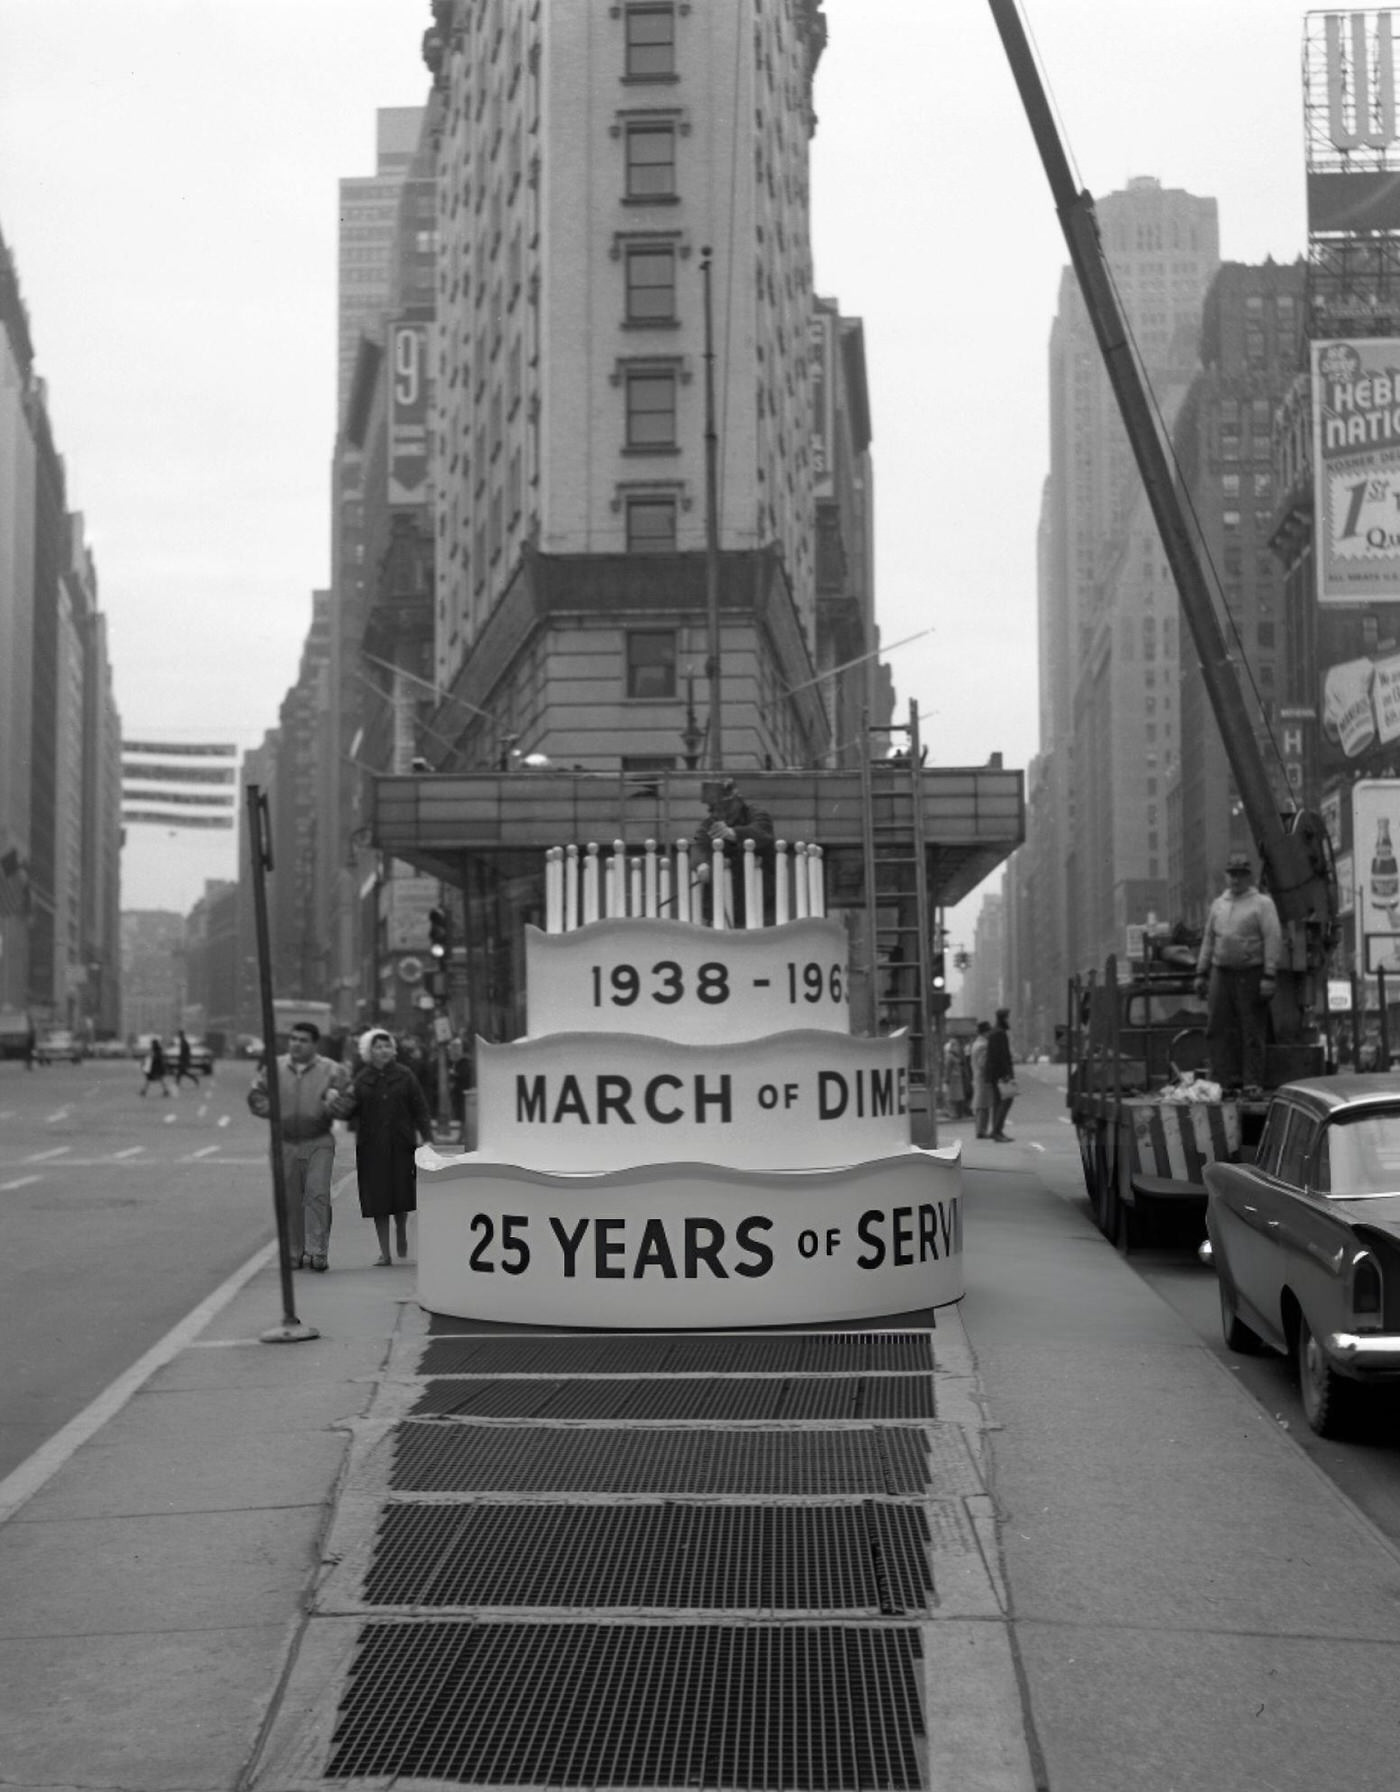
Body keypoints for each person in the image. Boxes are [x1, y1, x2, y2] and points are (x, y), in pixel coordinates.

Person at [246, 1021, 349, 1272]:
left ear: (315, 1044)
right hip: (285, 1142)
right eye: (293, 1039)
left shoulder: (331, 1070)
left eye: (303, 1040)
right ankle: (294, 1253)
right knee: (290, 1199)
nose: (296, 1044)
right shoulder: (275, 1068)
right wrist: (273, 1111)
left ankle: (317, 1252)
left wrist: (332, 1105)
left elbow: (348, 1101)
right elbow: (256, 1095)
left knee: (317, 1195)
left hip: (318, 1140)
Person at [340, 1028, 434, 1265]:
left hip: (401, 1144)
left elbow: (420, 1109)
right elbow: (348, 1110)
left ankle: (401, 1230)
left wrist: (428, 1138)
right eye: (377, 1047)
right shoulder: (361, 1079)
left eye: (386, 1046)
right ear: (368, 1052)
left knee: (401, 1195)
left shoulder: (406, 1075)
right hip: (371, 1147)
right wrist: (337, 1101)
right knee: (378, 1200)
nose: (383, 1050)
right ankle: (385, 1252)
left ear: (393, 1050)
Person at [1194, 850, 1282, 1096]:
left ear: (1249, 876)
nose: (1235, 880)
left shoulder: (1262, 904)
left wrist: (1269, 975)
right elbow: (1208, 941)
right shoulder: (1218, 905)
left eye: (1241, 874)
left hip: (1251, 973)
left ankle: (1252, 1082)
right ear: (1226, 876)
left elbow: (1272, 938)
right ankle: (1219, 1080)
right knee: (1216, 1027)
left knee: (1252, 1030)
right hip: (1221, 972)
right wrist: (1201, 972)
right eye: (1232, 874)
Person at [691, 777, 775, 925]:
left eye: (724, 807)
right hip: (719, 906)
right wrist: (702, 864)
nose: (718, 813)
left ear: (737, 801)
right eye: (713, 808)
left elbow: (763, 834)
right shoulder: (710, 824)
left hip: (757, 902)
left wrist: (732, 833)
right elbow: (699, 846)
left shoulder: (756, 814)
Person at [984, 1008, 1016, 1141]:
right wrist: (1007, 1074)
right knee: (1006, 1099)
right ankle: (997, 1131)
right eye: (1008, 1017)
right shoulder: (999, 1033)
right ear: (1003, 1018)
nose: (1009, 1020)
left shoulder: (995, 1032)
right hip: (1000, 1075)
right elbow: (1001, 1056)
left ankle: (996, 1131)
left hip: (996, 1074)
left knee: (998, 1101)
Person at [969, 1020, 993, 1138]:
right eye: (989, 1031)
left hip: (978, 1078)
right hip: (983, 1079)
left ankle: (980, 1130)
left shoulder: (976, 1043)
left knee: (981, 1105)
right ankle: (981, 1130)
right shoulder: (983, 1045)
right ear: (985, 1032)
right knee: (983, 1106)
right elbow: (983, 1063)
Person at [943, 1034, 970, 1119]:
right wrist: (946, 1079)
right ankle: (953, 1114)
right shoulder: (950, 1056)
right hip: (952, 1080)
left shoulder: (954, 1056)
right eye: (956, 1045)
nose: (958, 1047)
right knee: (952, 1098)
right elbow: (947, 1069)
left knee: (957, 1097)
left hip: (957, 1080)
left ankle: (957, 1113)